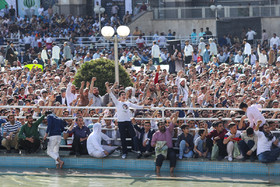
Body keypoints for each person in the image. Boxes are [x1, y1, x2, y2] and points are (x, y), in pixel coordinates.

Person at [105, 82, 150, 159]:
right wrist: (107, 86)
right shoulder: (117, 102)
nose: (124, 96)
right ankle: (124, 152)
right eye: (122, 95)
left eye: (124, 95)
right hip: (121, 122)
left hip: (128, 122)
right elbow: (110, 94)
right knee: (123, 138)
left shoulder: (128, 103)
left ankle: (137, 150)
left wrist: (145, 107)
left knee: (134, 136)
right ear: (119, 97)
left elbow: (136, 106)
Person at [151, 112, 178, 177]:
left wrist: (176, 116)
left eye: (163, 124)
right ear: (158, 127)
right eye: (160, 125)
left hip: (169, 149)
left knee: (173, 155)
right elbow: (152, 143)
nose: (162, 125)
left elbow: (173, 122)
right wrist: (158, 145)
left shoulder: (169, 130)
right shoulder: (156, 134)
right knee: (159, 157)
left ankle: (171, 172)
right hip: (161, 150)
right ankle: (158, 173)